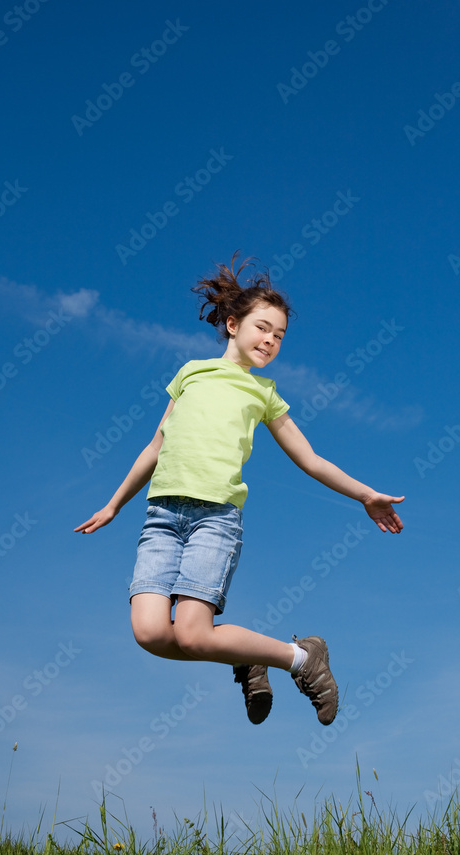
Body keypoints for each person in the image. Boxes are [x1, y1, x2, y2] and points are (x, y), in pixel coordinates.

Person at [74, 254, 404, 727]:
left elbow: (310, 459)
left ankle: (301, 659)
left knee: (192, 634)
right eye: (263, 328)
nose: (270, 340)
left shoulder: (264, 393)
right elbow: (155, 447)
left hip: (214, 519)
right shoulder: (191, 373)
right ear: (233, 324)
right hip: (161, 517)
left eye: (280, 335)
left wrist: (365, 494)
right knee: (148, 633)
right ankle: (248, 659)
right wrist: (113, 504)